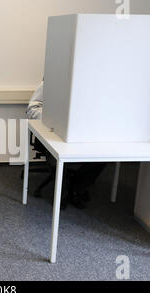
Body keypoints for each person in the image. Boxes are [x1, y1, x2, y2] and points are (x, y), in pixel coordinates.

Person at [26, 81, 106, 209]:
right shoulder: (52, 80)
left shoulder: (92, 84)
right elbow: (32, 109)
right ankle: (61, 192)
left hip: (83, 133)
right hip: (54, 132)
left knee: (104, 154)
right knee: (56, 153)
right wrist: (54, 119)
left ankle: (77, 188)